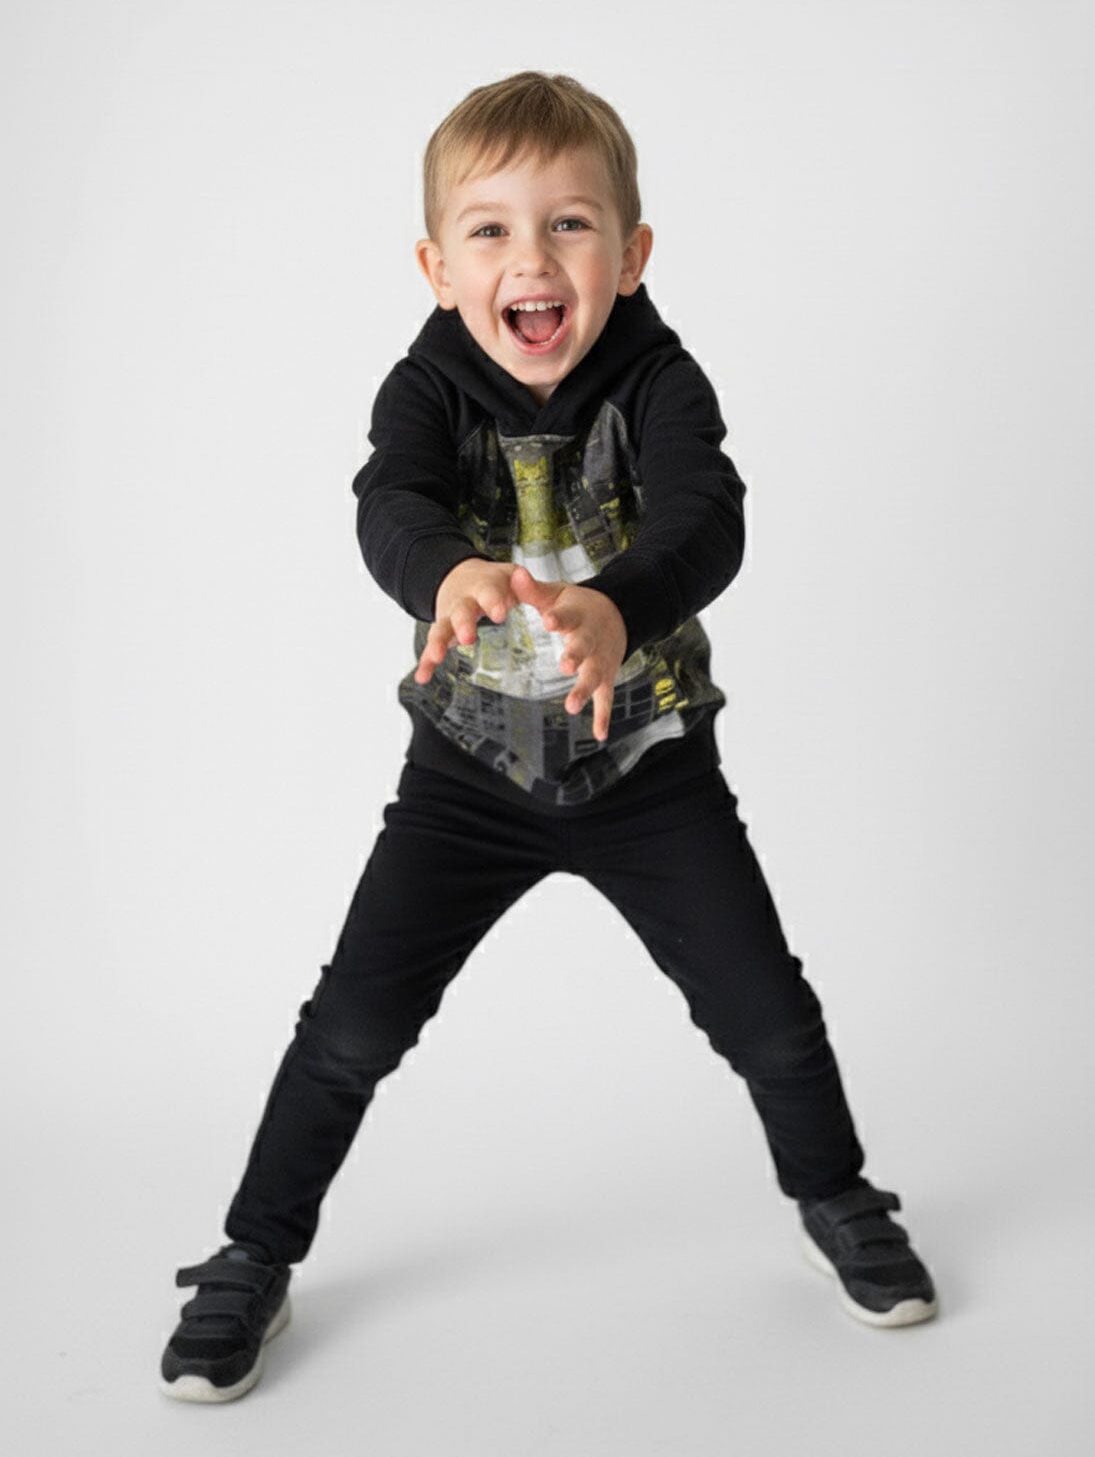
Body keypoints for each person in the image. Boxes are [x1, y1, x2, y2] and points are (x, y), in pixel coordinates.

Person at [159, 71, 938, 1404]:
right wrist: (442, 573)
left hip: (650, 769)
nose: (532, 256)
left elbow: (707, 513)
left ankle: (838, 1193)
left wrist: (621, 604)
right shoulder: (424, 387)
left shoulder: (663, 380)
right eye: (492, 230)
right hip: (467, 776)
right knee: (351, 1024)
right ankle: (254, 1251)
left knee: (768, 1016)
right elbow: (389, 499)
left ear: (630, 255)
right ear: (438, 267)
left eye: (571, 224)